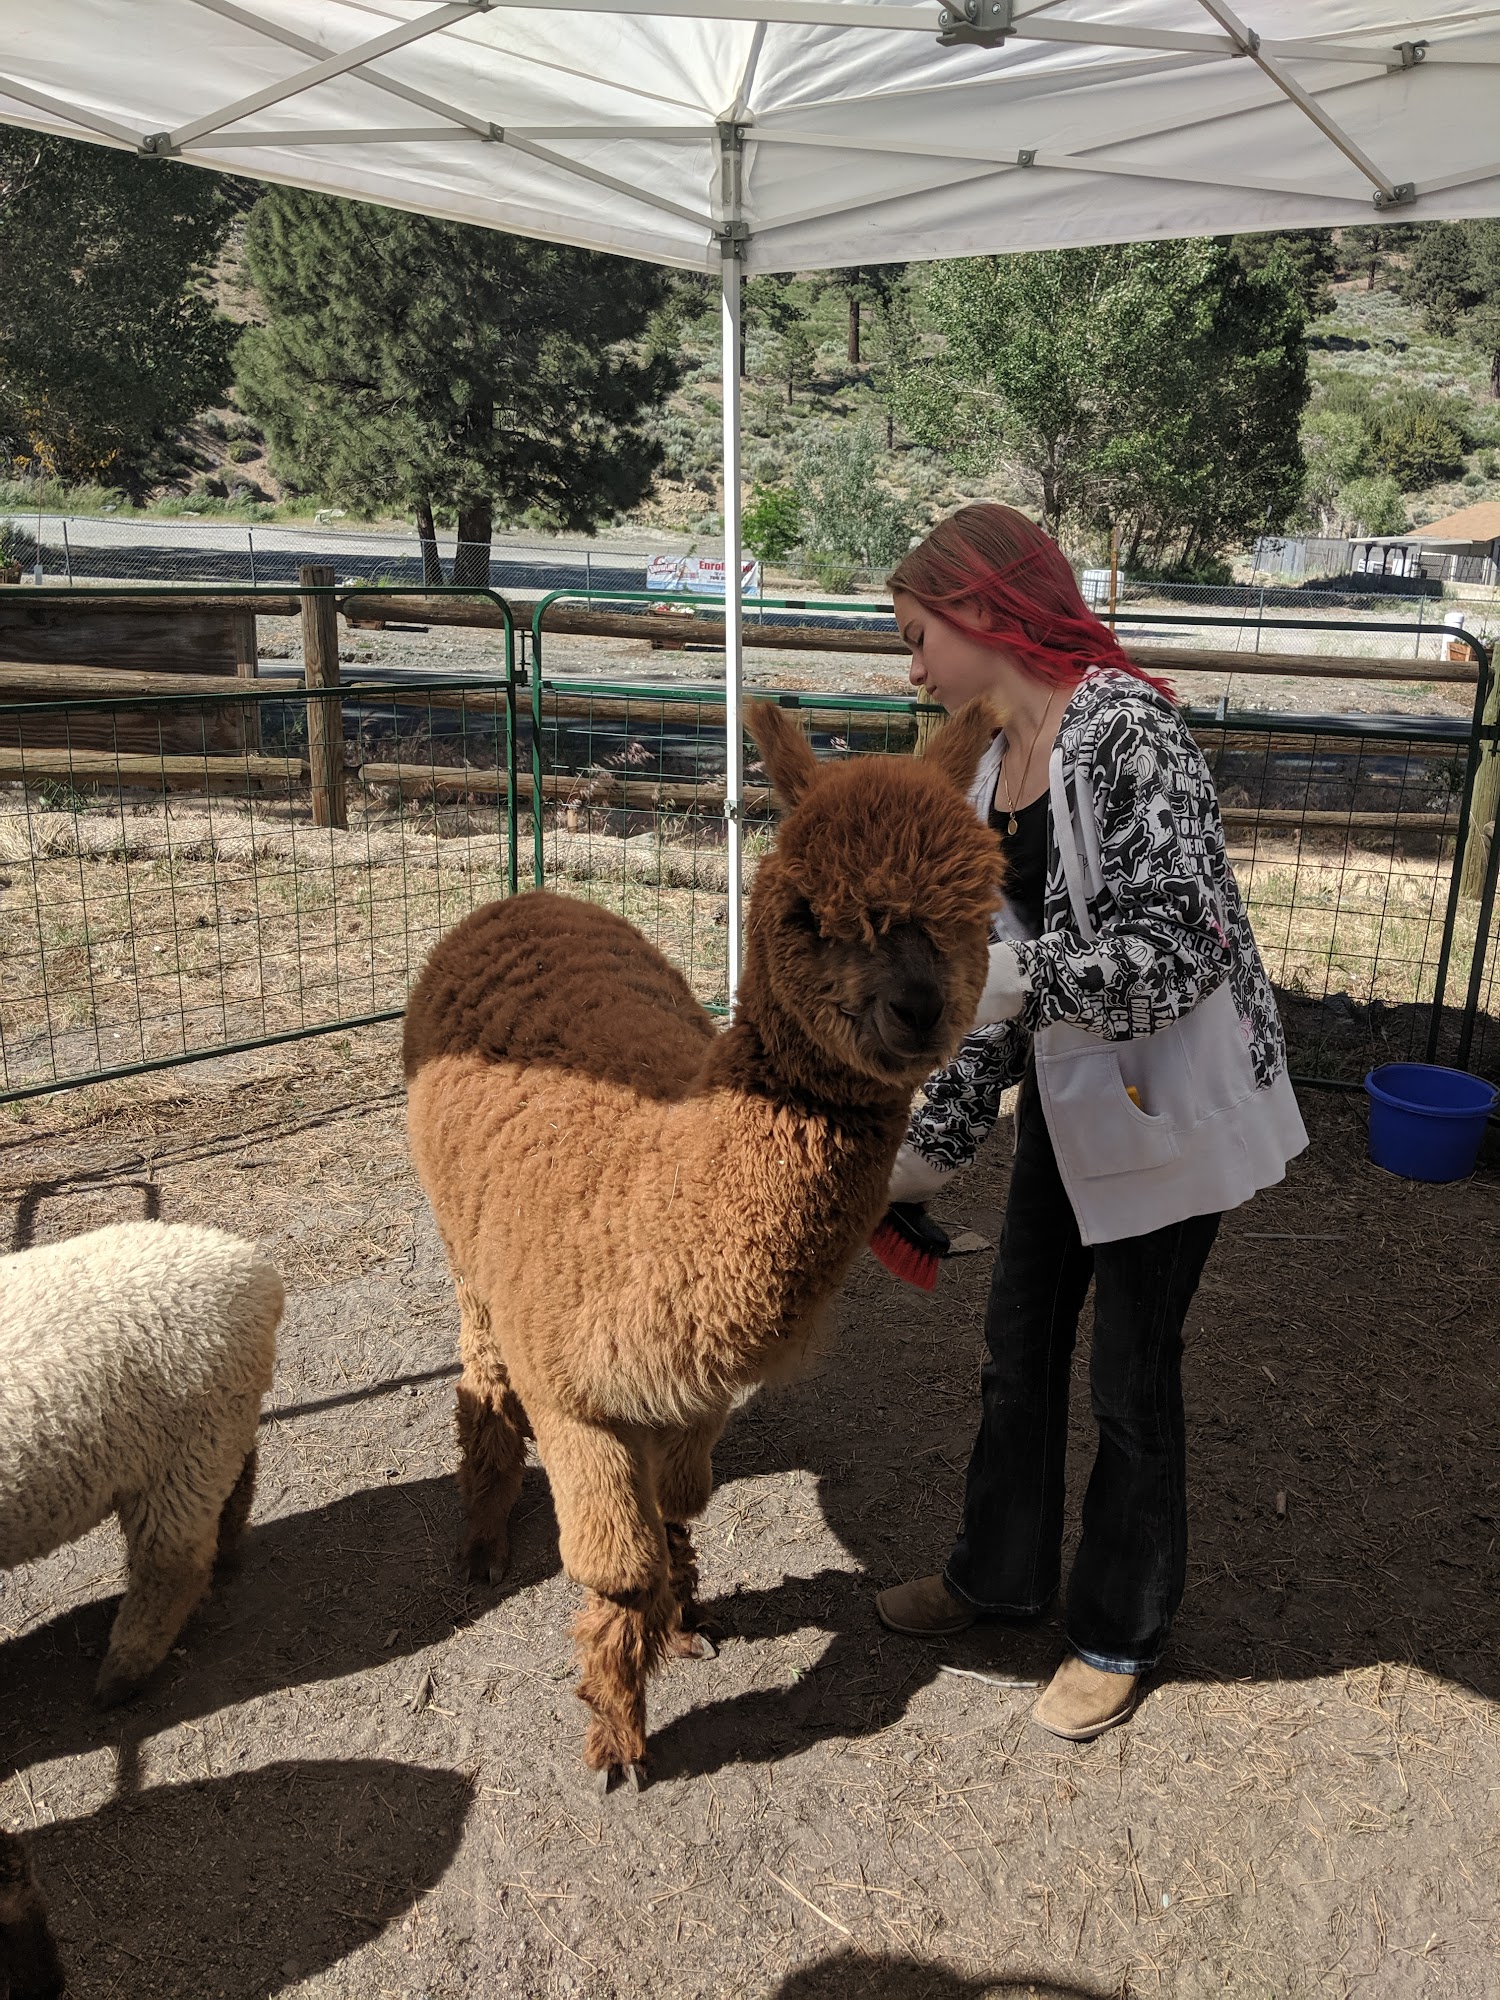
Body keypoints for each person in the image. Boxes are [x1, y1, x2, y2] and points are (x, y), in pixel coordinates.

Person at [873, 504, 1307, 1741]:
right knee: (1017, 1342)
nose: (913, 670)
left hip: (1171, 1108)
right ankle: (997, 1571)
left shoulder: (1127, 730)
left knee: (1129, 1371)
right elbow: (996, 990)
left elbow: (1180, 950)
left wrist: (997, 978)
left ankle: (1119, 1625)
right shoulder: (988, 766)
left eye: (917, 637)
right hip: (1077, 1106)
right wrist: (930, 1151)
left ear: (980, 609)